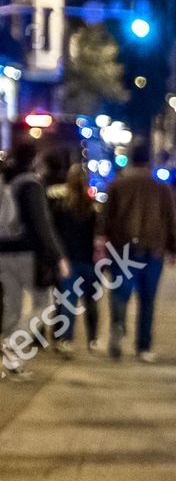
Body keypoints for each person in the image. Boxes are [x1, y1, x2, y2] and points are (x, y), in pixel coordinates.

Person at [101, 143, 176, 363]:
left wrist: (101, 243)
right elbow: (171, 219)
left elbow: (105, 218)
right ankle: (143, 347)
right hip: (153, 250)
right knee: (148, 299)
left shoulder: (117, 185)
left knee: (120, 293)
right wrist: (174, 249)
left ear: (130, 159)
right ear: (150, 161)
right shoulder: (161, 187)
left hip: (123, 249)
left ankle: (118, 325)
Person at [0, 142, 68, 379]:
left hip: (3, 252)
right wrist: (58, 256)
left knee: (12, 309)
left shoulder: (6, 180)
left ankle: (11, 361)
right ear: (33, 158)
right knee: (45, 305)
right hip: (26, 255)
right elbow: (42, 225)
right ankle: (11, 345)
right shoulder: (31, 184)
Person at [43, 159, 102, 355]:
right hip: (89, 261)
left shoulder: (61, 207)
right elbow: (97, 235)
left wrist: (59, 258)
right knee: (91, 302)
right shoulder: (92, 207)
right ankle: (93, 339)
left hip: (68, 260)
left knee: (68, 302)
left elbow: (56, 233)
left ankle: (65, 339)